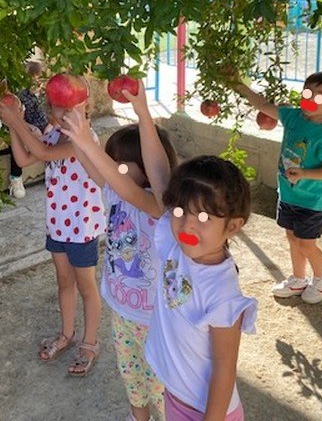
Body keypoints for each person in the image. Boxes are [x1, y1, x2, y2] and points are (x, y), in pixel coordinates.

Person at [64, 81, 257, 420]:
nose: (187, 225)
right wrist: (141, 112)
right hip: (174, 399)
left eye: (205, 217)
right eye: (180, 212)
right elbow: (150, 180)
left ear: (234, 225)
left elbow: (225, 374)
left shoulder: (223, 293)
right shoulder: (173, 242)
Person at [62, 117, 177, 421]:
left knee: (159, 385)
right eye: (112, 162)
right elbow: (91, 166)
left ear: (146, 166)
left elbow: (132, 189)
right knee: (130, 375)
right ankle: (138, 417)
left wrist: (89, 142)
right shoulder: (114, 193)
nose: (112, 169)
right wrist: (76, 135)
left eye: (122, 164)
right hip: (122, 311)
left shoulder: (157, 205)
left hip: (153, 319)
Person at [0, 79, 105, 378]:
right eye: (60, 106)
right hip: (58, 225)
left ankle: (90, 342)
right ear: (50, 107)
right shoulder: (53, 133)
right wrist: (12, 124)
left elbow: (42, 155)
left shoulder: (84, 139)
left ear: (87, 107)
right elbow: (23, 158)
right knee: (64, 282)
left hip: (82, 227)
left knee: (86, 286)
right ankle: (67, 334)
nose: (66, 112)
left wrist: (16, 118)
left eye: (74, 106)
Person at [232, 71, 322, 303]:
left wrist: (305, 173)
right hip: (288, 196)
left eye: (320, 96)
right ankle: (298, 279)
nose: (311, 98)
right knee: (292, 238)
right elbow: (262, 104)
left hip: (311, 201)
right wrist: (238, 84)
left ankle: (321, 279)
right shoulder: (293, 117)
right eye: (308, 92)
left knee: (306, 243)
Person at [9, 60, 51, 198]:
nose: (36, 81)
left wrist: (51, 126)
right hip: (30, 128)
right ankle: (16, 178)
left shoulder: (44, 93)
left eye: (38, 78)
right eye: (32, 78)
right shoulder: (21, 96)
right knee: (22, 143)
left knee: (52, 137)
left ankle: (52, 171)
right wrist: (31, 128)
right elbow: (20, 118)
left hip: (46, 126)